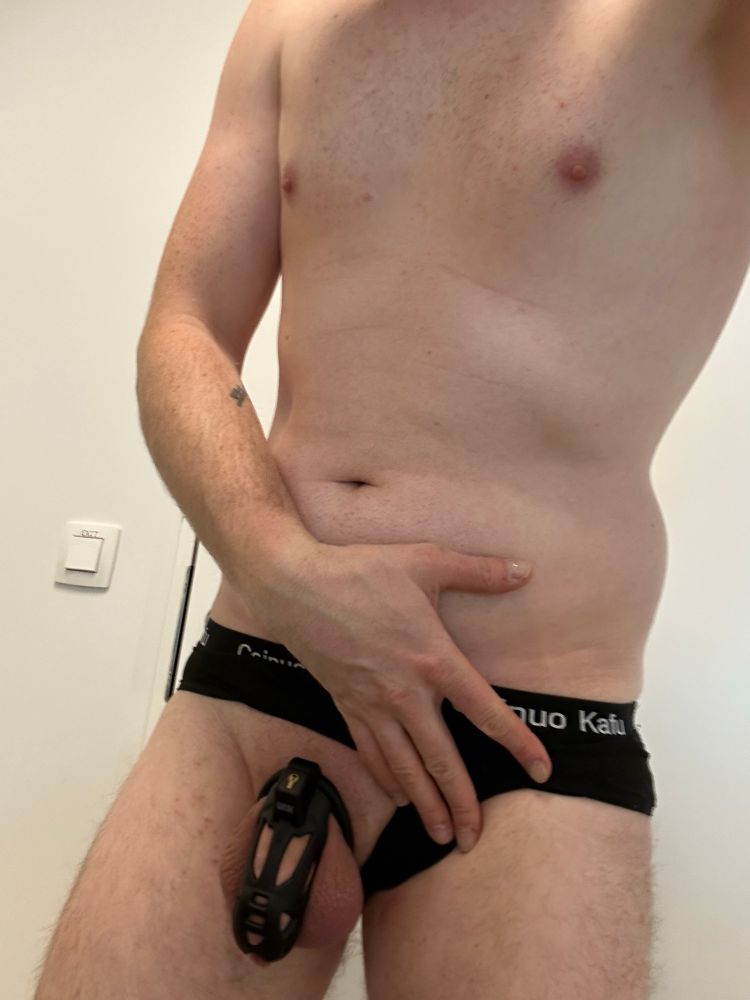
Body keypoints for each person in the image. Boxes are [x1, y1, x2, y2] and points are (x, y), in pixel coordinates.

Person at [35, 0, 750, 997]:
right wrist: (282, 567)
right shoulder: (285, 21)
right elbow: (184, 327)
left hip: (524, 733)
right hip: (259, 670)